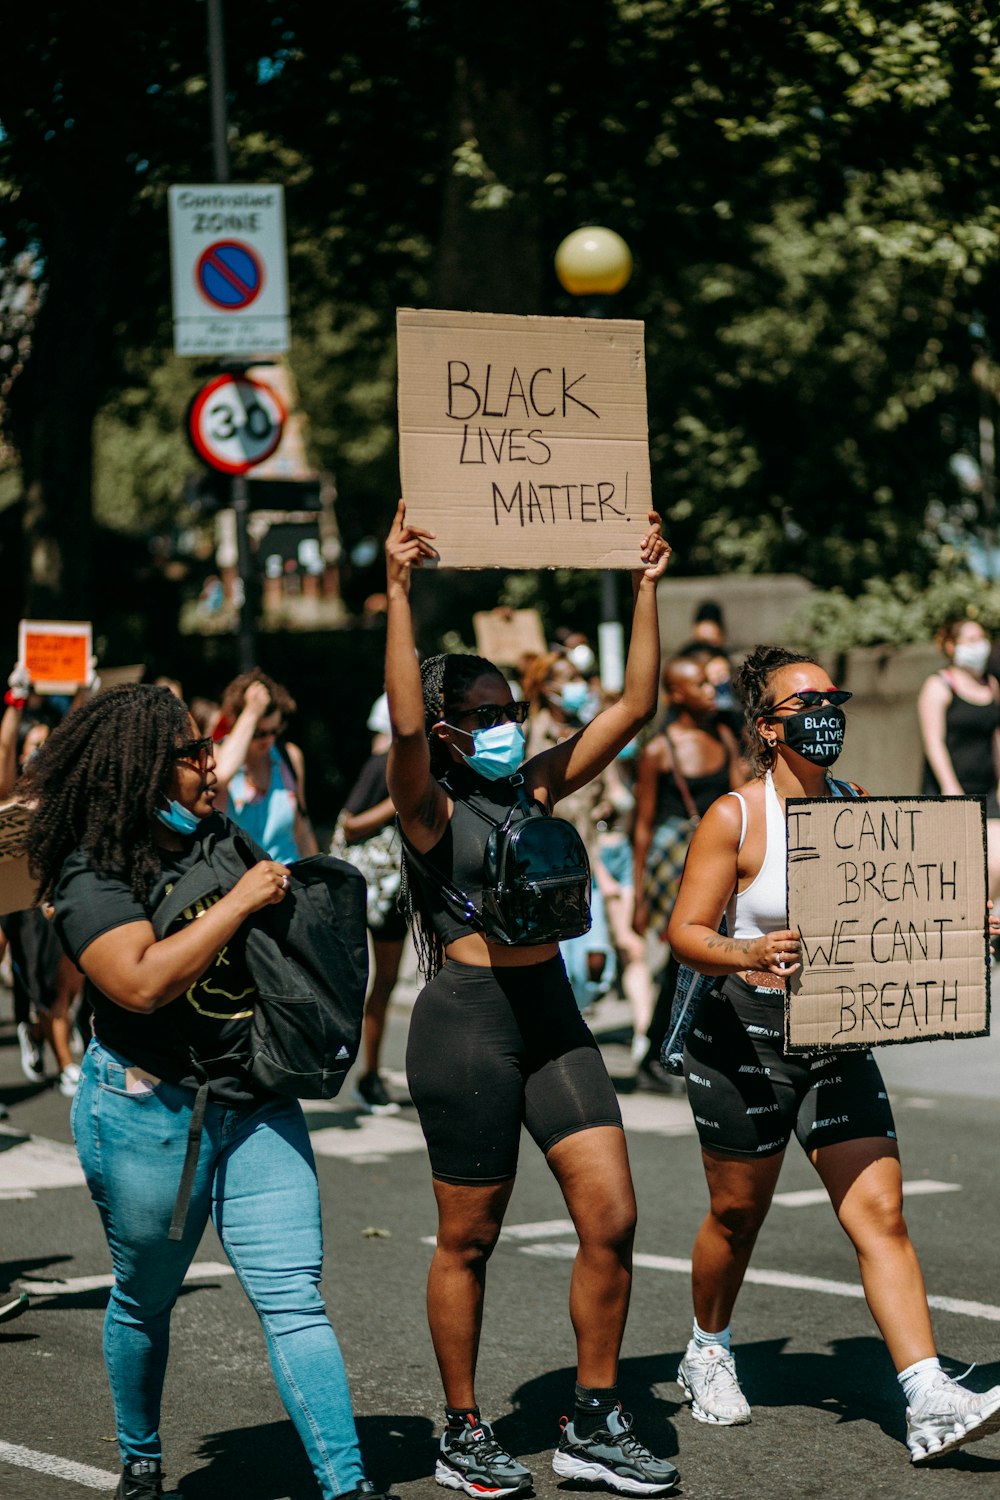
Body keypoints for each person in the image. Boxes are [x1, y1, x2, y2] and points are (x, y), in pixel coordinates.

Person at [21, 683, 389, 1500]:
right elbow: (140, 983)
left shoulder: (217, 835)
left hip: (253, 1098)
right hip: (146, 1111)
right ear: (145, 771)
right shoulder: (92, 873)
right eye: (190, 753)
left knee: (293, 1296)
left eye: (204, 746)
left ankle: (348, 1484)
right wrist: (244, 899)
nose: (210, 760)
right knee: (146, 1298)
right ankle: (142, 1457)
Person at [384, 498, 678, 1497]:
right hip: (467, 1028)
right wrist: (396, 592)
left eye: (514, 709)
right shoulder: (426, 806)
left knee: (614, 1216)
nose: (510, 726)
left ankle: (591, 1418)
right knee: (468, 1236)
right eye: (488, 715)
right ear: (445, 731)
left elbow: (632, 709)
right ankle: (463, 1428)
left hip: (551, 1016)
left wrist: (646, 589)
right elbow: (397, 723)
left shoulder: (536, 790)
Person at [666, 644, 1000, 1464]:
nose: (825, 715)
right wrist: (747, 955)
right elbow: (684, 933)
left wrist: (967, 930)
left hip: (835, 1032)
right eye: (804, 704)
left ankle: (926, 1394)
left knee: (880, 1213)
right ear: (768, 726)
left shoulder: (855, 804)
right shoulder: (734, 817)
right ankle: (707, 1347)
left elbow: (891, 918)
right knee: (737, 1215)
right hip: (741, 1037)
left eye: (832, 700)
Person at [631, 654, 742, 1089]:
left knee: (714, 957)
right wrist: (638, 896)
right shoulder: (659, 750)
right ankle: (659, 1047)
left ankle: (691, 1045)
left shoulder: (725, 739)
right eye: (699, 685)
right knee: (683, 958)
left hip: (720, 861)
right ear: (676, 694)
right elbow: (642, 827)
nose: (710, 692)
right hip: (674, 866)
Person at [1, 667, 84, 1093]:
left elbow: (79, 739)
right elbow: (4, 743)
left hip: (52, 901)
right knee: (42, 981)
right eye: (34, 746)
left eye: (47, 746)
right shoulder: (11, 791)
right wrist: (16, 701)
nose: (42, 752)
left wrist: (83, 695)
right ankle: (47, 1042)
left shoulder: (64, 795)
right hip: (13, 903)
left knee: (63, 984)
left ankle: (56, 1050)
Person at [523, 651, 616, 1010]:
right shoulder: (531, 734)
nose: (577, 685)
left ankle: (570, 1012)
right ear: (547, 688)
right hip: (548, 865)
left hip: (591, 859)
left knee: (597, 958)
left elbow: (608, 788)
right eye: (567, 677)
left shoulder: (588, 729)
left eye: (578, 677)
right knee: (560, 957)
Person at [334, 692, 407, 1115]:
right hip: (370, 886)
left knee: (387, 981)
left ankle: (372, 1073)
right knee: (357, 980)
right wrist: (395, 802)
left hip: (400, 890)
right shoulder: (383, 765)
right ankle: (358, 1071)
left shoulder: (436, 767)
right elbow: (349, 823)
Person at [917, 616, 1000, 897]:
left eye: (982, 638)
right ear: (951, 646)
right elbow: (933, 741)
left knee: (995, 862)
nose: (980, 646)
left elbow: (996, 737)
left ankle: (985, 928)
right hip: (949, 789)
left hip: (987, 788)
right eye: (971, 640)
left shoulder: (991, 685)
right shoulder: (939, 685)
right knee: (957, 868)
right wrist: (950, 787)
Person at [212, 669, 319, 862]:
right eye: (259, 733)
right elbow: (221, 776)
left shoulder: (289, 756)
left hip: (290, 877)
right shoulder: (219, 754)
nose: (268, 740)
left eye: (274, 731)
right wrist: (252, 711)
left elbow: (301, 828)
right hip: (243, 882)